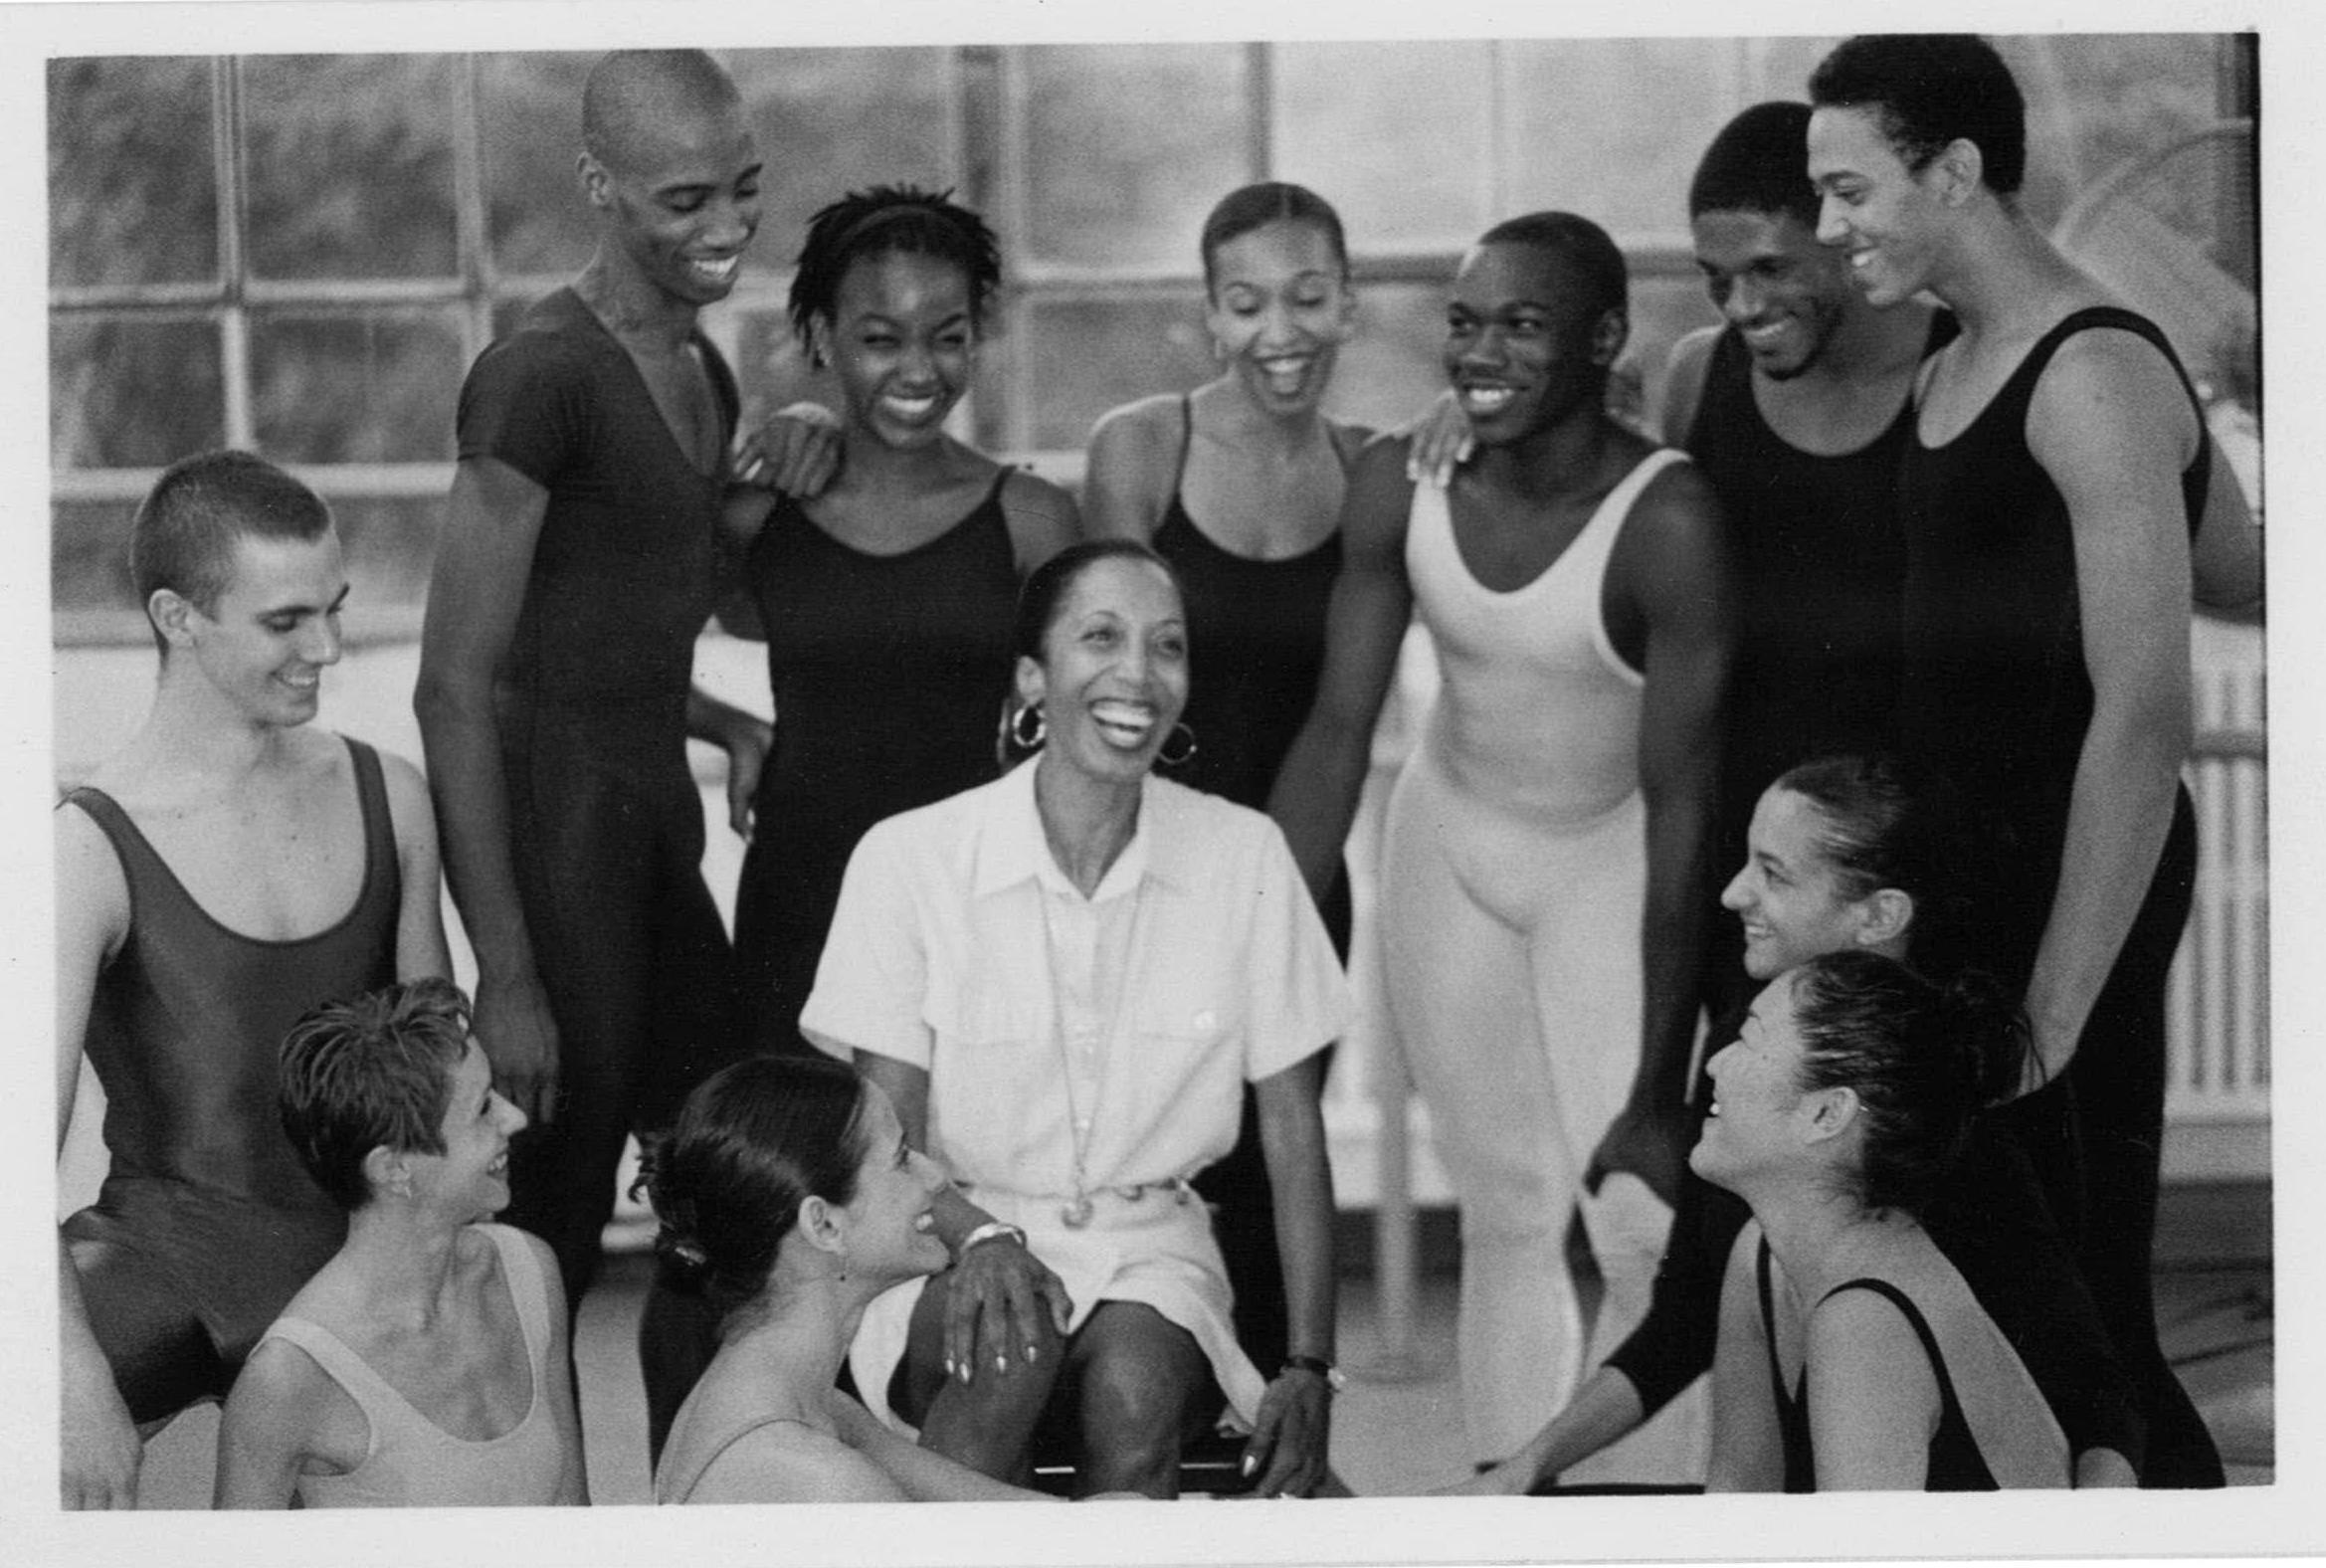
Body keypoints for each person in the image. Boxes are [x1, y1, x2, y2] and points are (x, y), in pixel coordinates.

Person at [1808, 33, 2229, 1485]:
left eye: (1849, 186)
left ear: (1956, 171)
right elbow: (2235, 549)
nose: (1828, 226)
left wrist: (2051, 1012)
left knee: (2087, 1311)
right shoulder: (1952, 350)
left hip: (2074, 887)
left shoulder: (2092, 370)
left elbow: (2141, 722)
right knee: (1991, 1294)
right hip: (1962, 889)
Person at [1269, 212, 1734, 1470]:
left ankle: (1658, 1511)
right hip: (1451, 844)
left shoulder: (1665, 519)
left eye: (1522, 326)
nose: (1481, 353)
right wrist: (1251, 929)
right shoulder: (1399, 481)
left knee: (1634, 1213)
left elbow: (1687, 809)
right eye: (1464, 325)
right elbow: (1334, 728)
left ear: (1600, 341)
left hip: (1613, 859)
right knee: (1509, 1211)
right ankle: (1503, 1496)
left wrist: (1654, 1089)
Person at [802, 540, 1347, 1498]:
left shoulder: (1245, 856)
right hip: (949, 1230)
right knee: (1006, 1351)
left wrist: (1309, 1365)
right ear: (1032, 679)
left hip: (1154, 1249)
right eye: (1101, 637)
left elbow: (1295, 1135)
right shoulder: (913, 859)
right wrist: (981, 1240)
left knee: (1135, 1392)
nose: (1137, 672)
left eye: (1167, 647)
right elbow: (887, 1140)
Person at [1454, 753, 2143, 1494]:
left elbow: (2094, 1396)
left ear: (1878, 916)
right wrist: (1525, 1470)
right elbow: (1698, 1371)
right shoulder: (1763, 1233)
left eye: (1775, 874)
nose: (1731, 893)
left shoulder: (1952, 1141)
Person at [414, 49, 773, 1417]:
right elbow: (458, 686)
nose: (724, 229)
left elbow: (607, 632)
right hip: (559, 860)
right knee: (548, 1236)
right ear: (596, 187)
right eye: (685, 200)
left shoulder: (704, 367)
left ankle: (701, 1490)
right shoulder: (535, 378)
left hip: (652, 841)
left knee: (725, 1189)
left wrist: (720, 717)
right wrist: (506, 972)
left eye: (743, 189)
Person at [55, 450, 449, 1509]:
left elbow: (440, 1097)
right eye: (285, 622)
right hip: (170, 1264)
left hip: (357, 1266)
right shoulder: (87, 848)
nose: (326, 646)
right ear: (178, 617)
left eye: (335, 608)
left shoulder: (388, 793)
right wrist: (78, 1379)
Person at [1081, 179, 1368, 1377]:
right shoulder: (1143, 446)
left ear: (1348, 304)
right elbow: (1114, 693)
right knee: (1140, 1172)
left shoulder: (1373, 470)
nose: (1279, 331)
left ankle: (1270, 1461)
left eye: (1307, 297)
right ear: (1209, 317)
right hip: (1152, 868)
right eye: (1246, 304)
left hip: (1298, 874)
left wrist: (1265, 904)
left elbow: (1348, 714)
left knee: (1262, 1179)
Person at [726, 184, 1077, 1063]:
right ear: (819, 339)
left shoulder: (1031, 518)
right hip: (799, 912)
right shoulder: (757, 514)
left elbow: (1071, 737)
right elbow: (624, 654)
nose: (920, 372)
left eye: (948, 337)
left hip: (977, 912)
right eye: (881, 340)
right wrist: (726, 726)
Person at [1695, 950, 2069, 1490]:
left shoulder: (1865, 1321)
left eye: (1749, 1042)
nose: (1714, 1063)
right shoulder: (1763, 1256)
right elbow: (1737, 1497)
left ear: (1827, 1114)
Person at [215, 980, 584, 1506]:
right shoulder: (288, 1378)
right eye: (483, 1109)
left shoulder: (528, 1270)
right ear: (394, 1169)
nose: (515, 1117)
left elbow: (576, 1522)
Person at [646, 1055, 1077, 1502]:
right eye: (903, 1159)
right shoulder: (820, 1474)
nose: (936, 1177)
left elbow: (1016, 1516)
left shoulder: (809, 1402)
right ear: (824, 1226)